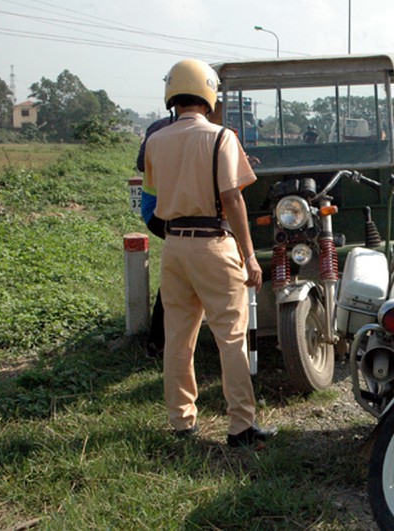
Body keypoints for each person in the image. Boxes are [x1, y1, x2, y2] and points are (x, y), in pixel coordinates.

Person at [143, 58, 275, 447]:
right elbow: (232, 199)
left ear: (172, 96)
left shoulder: (154, 141)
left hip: (174, 246)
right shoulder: (221, 138)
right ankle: (240, 425)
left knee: (178, 337)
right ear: (209, 95)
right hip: (213, 243)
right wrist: (249, 256)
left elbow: (158, 191)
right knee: (231, 337)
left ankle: (182, 421)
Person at [137, 115, 175, 358]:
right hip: (161, 210)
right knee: (179, 270)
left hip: (163, 208)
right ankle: (158, 341)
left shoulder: (163, 126)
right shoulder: (170, 132)